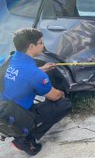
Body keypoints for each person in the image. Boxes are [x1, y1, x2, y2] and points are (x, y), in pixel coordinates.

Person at [1, 28, 72, 156]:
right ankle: (26, 139)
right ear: (31, 46)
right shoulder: (35, 74)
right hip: (17, 116)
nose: (43, 45)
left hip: (4, 107)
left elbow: (23, 73)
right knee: (64, 105)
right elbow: (55, 96)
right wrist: (62, 93)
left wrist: (41, 69)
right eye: (41, 42)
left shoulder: (9, 59)